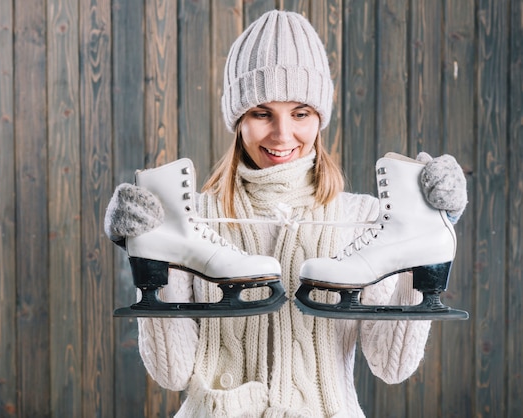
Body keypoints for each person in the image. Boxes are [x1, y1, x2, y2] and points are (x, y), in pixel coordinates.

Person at [105, 10, 467, 418]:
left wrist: (425, 235)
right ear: (238, 118)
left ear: (319, 118)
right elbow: (172, 372)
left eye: (300, 113)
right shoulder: (196, 220)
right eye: (262, 113)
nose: (282, 135)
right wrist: (148, 255)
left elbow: (392, 365)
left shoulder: (366, 219)